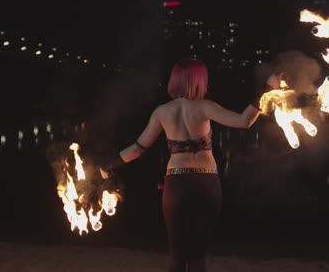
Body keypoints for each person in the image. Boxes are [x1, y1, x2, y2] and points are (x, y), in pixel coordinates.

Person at [99, 59, 281, 272]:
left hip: (176, 184)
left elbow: (138, 149)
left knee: (177, 255)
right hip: (206, 182)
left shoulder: (162, 112)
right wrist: (268, 88)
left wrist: (109, 164)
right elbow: (244, 121)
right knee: (197, 255)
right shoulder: (205, 107)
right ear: (200, 81)